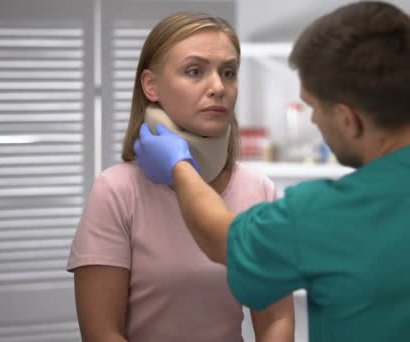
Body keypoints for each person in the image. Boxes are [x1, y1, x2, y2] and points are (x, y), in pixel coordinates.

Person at [134, 1, 410, 341]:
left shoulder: (318, 216)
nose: (314, 122)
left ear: (349, 118)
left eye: (314, 108)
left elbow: (220, 238)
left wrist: (178, 164)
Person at [67, 12, 295, 342]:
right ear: (151, 86)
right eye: (194, 71)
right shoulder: (117, 190)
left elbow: (276, 319)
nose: (218, 87)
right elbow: (102, 333)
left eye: (228, 72)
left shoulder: (258, 189)